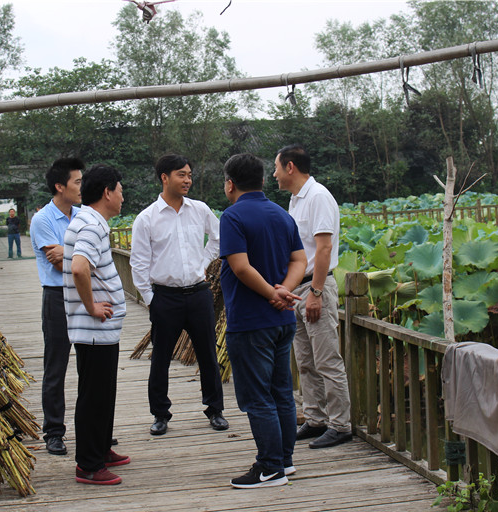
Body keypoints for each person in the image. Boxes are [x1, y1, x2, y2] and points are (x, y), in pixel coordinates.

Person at [220, 153, 306, 489]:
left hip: (251, 320)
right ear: (263, 180)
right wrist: (285, 289)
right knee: (281, 391)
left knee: (257, 397)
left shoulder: (233, 217)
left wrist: (271, 292)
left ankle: (269, 468)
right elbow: (299, 259)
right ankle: (284, 461)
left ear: (231, 183)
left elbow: (240, 267)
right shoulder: (282, 215)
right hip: (283, 319)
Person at [130, 154, 228, 435]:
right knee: (160, 357)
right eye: (181, 175)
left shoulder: (200, 210)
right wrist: (150, 299)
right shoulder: (147, 218)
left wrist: (203, 261)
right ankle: (160, 414)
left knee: (208, 354)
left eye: (189, 174)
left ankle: (215, 410)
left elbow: (219, 238)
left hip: (198, 293)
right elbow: (138, 263)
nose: (188, 180)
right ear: (164, 178)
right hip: (165, 297)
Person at [273, 144, 353, 449]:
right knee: (305, 360)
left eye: (277, 167)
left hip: (315, 287)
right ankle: (316, 417)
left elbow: (324, 249)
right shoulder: (296, 200)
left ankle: (340, 424)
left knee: (327, 359)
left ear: (290, 167)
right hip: (298, 289)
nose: (275, 174)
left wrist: (317, 293)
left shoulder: (318, 197)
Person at [63, 164, 128, 485]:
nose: (123, 195)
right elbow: (79, 268)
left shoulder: (90, 222)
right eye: (120, 188)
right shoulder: (91, 225)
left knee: (103, 392)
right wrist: (91, 306)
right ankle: (88, 464)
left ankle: (100, 448)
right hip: (93, 328)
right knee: (93, 396)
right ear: (107, 192)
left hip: (100, 330)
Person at [29, 158, 85, 456]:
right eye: (76, 182)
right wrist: (79, 253)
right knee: (56, 366)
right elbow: (57, 260)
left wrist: (70, 251)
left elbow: (89, 256)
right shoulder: (43, 219)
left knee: (91, 364)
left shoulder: (83, 215)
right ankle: (54, 431)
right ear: (59, 186)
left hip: (85, 292)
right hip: (57, 297)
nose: (81, 187)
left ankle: (92, 427)